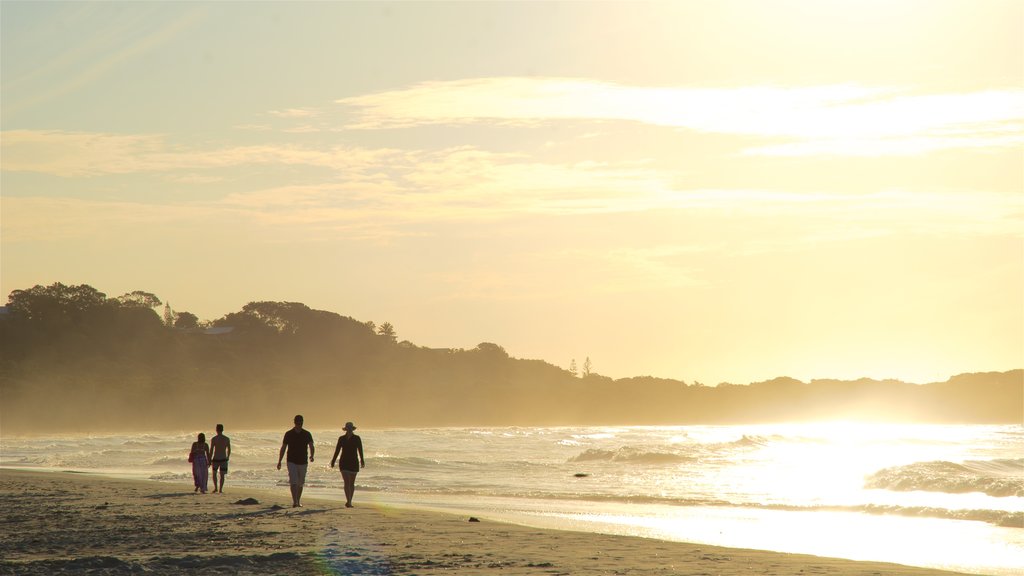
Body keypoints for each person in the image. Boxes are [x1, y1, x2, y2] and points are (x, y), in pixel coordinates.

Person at [277, 414, 314, 507]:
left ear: (302, 422)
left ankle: (298, 500)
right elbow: (283, 448)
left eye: (301, 422)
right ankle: (295, 502)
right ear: (295, 422)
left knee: (300, 483)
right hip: (291, 461)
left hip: (303, 461)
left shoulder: (307, 434)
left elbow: (311, 446)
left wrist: (312, 455)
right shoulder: (289, 434)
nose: (299, 424)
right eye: (298, 422)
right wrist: (279, 461)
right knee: (294, 481)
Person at [330, 421, 365, 508]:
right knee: (346, 482)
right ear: (346, 429)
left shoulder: (357, 438)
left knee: (351, 483)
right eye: (348, 428)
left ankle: (350, 500)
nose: (349, 430)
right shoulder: (341, 438)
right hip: (344, 462)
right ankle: (348, 501)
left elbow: (360, 450)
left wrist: (362, 460)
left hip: (354, 462)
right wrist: (333, 461)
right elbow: (337, 450)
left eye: (350, 428)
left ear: (352, 429)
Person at [210, 424, 231, 494]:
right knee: (222, 475)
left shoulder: (214, 439)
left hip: (216, 458)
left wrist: (209, 459)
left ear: (216, 430)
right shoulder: (226, 439)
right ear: (222, 430)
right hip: (223, 458)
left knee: (214, 474)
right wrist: (228, 456)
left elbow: (211, 450)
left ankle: (216, 488)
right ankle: (220, 489)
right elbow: (229, 449)